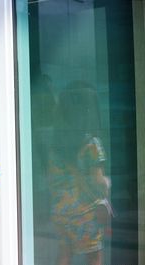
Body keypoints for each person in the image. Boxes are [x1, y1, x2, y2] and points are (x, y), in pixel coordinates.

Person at [48, 81, 111, 265]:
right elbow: (98, 181)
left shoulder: (56, 145)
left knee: (64, 253)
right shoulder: (92, 144)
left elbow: (51, 177)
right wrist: (107, 183)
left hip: (61, 211)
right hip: (86, 212)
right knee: (93, 255)